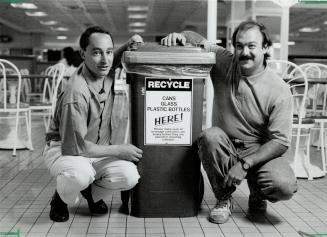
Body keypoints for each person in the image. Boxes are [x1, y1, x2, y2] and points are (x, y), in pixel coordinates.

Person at [161, 20, 298, 224]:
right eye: (240, 46)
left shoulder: (279, 89)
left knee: (284, 186)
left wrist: (245, 165)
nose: (245, 52)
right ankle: (223, 198)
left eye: (252, 46)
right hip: (225, 145)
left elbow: (280, 142)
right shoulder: (225, 62)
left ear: (265, 47)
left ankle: (258, 193)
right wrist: (179, 35)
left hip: (259, 152)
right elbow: (198, 40)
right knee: (209, 137)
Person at [44, 26, 143, 222]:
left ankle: (91, 194)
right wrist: (119, 150)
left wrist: (131, 42)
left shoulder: (105, 69)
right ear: (83, 54)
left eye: (108, 52)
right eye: (96, 52)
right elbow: (77, 147)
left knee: (130, 176)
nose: (105, 60)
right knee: (79, 175)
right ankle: (60, 199)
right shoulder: (76, 93)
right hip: (66, 149)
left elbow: (111, 55)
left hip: (97, 149)